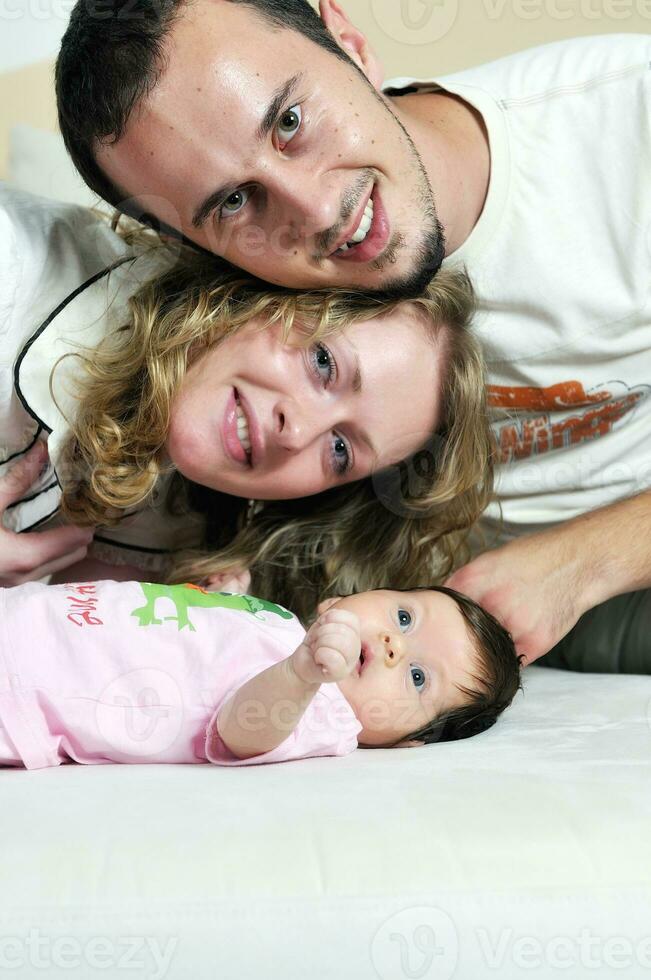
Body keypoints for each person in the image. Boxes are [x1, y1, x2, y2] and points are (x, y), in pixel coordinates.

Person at [54, 0, 651, 667]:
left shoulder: (627, 117)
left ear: (347, 37)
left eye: (289, 121)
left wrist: (578, 563)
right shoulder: (212, 358)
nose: (313, 209)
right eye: (232, 201)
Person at [0, 184, 492, 619]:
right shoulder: (15, 268)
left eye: (341, 450)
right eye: (324, 363)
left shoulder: (178, 516)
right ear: (263, 293)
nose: (296, 433)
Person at [0, 578, 521, 769]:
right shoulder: (283, 621)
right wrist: (215, 595)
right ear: (343, 599)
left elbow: (238, 729)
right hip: (31, 613)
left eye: (416, 678)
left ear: (407, 741)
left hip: (25, 693)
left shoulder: (326, 714)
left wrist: (300, 675)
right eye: (403, 618)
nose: (393, 645)